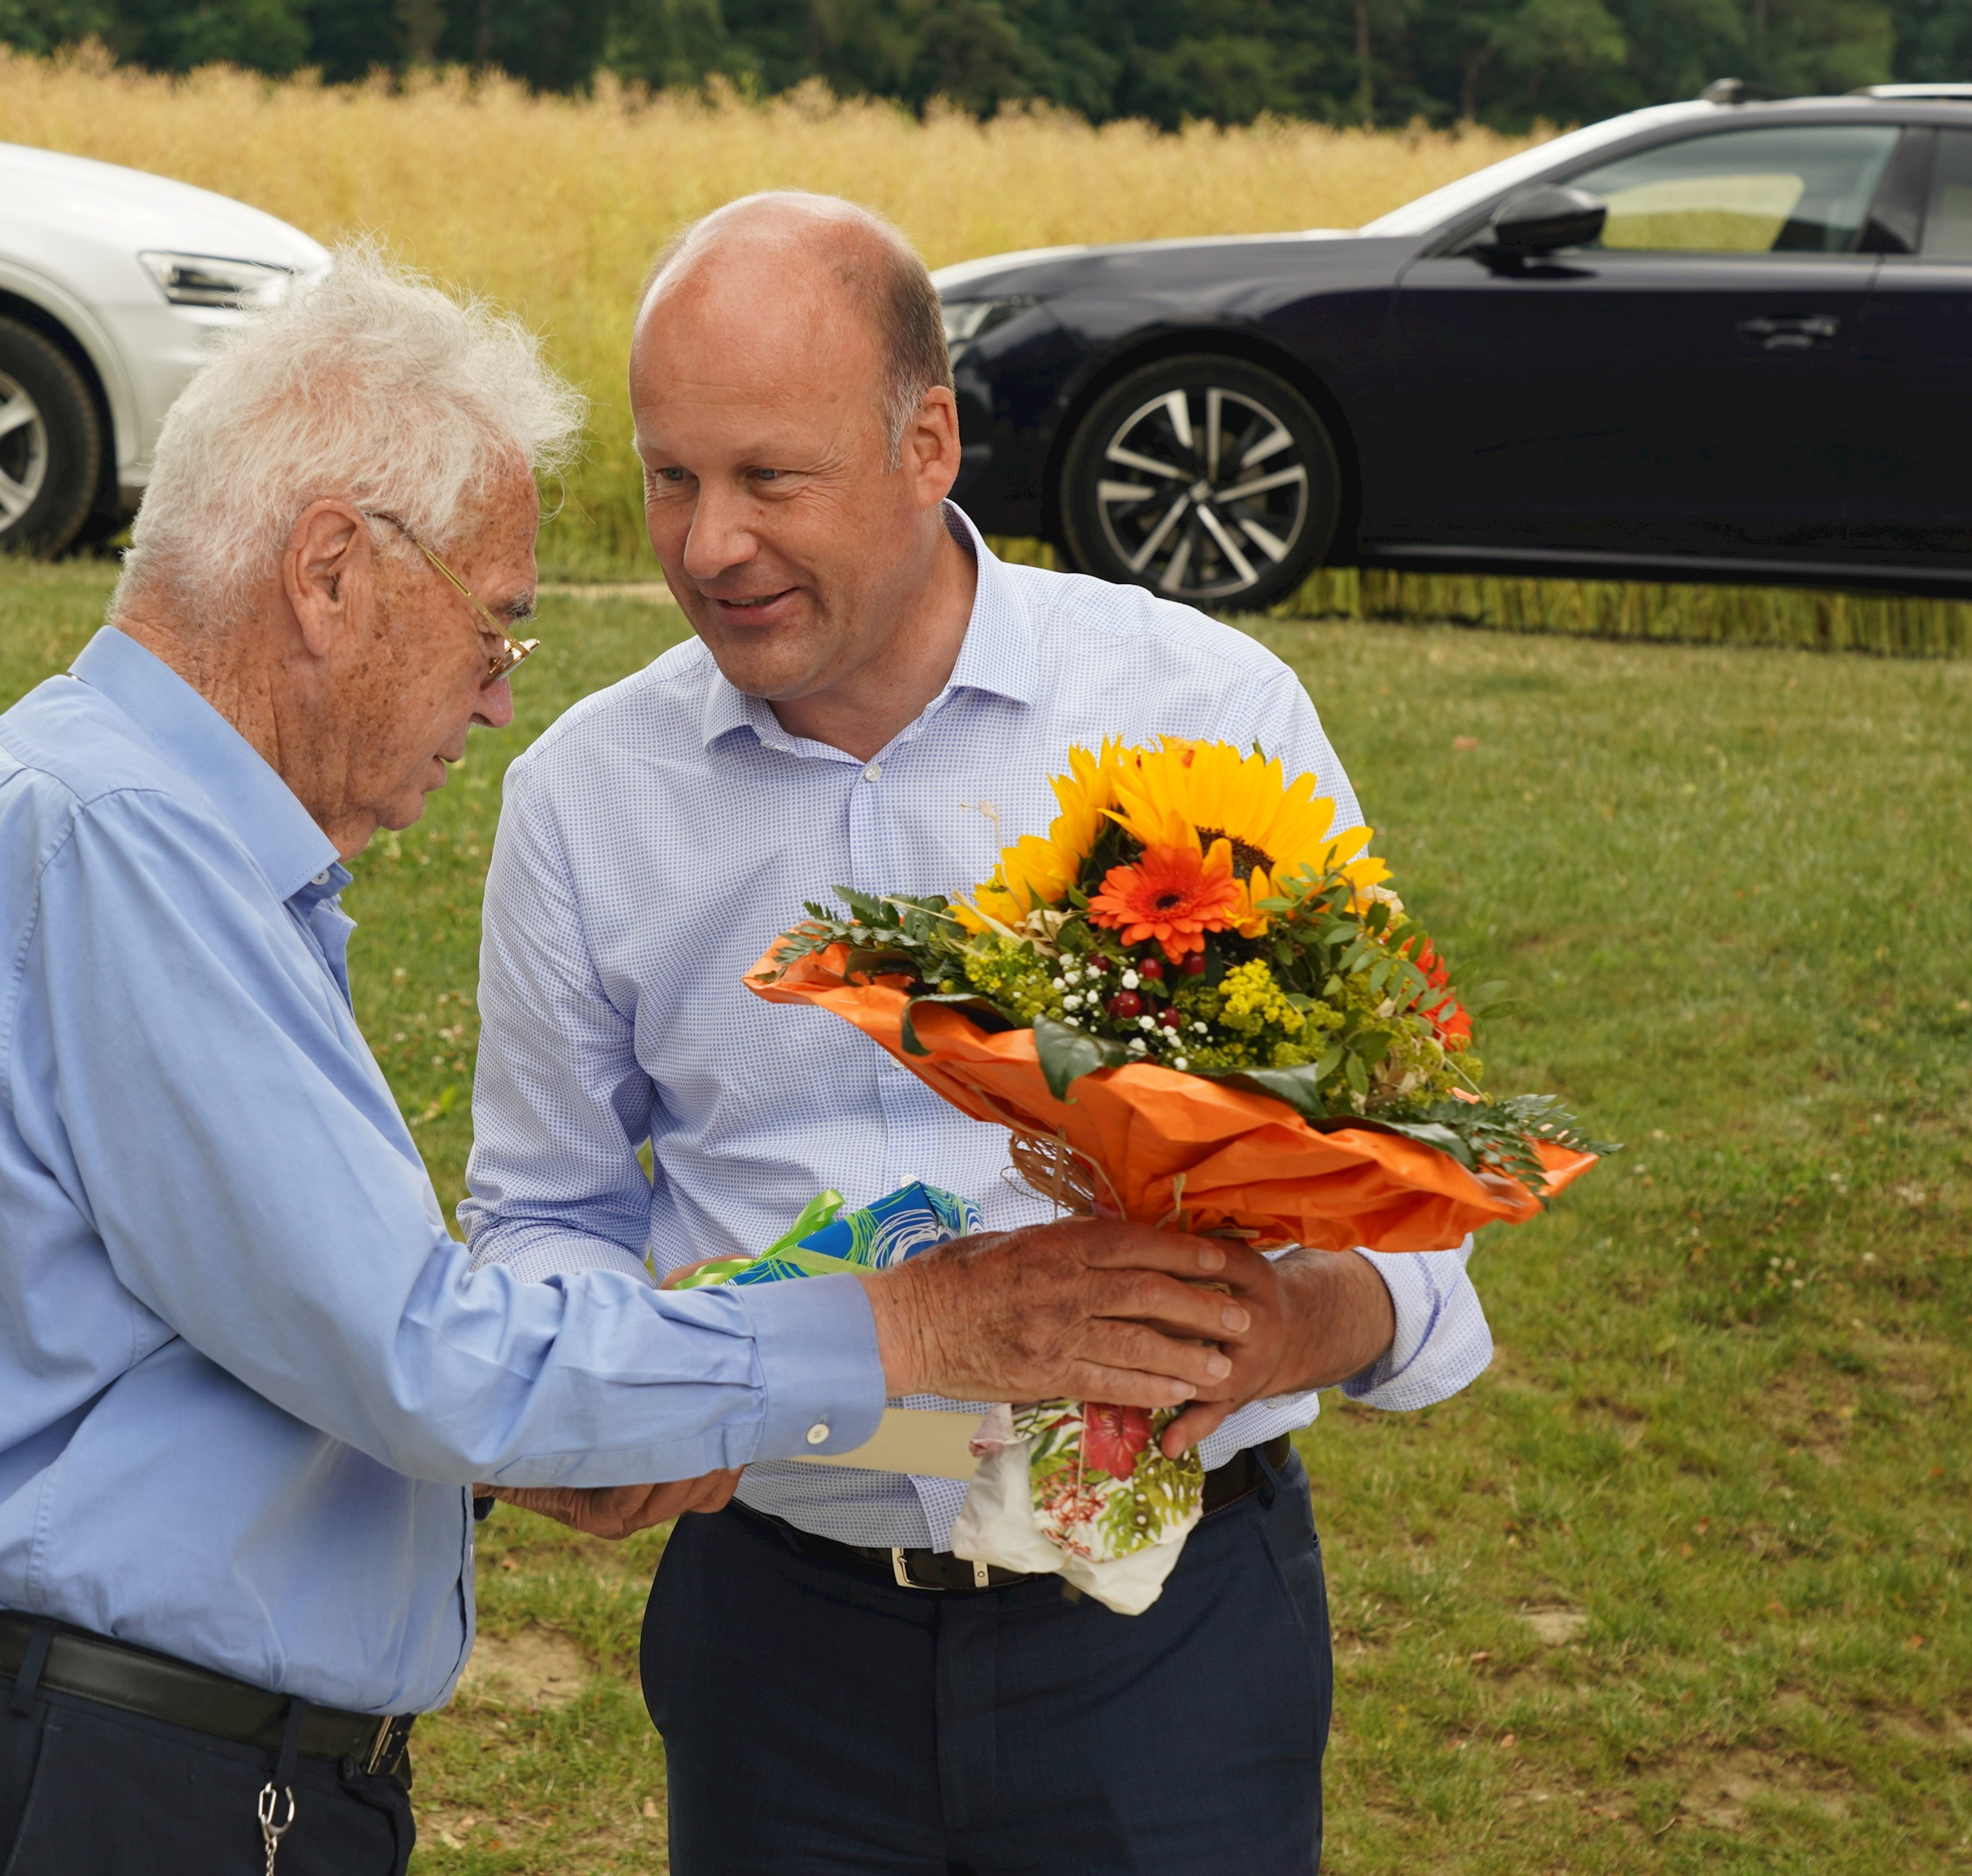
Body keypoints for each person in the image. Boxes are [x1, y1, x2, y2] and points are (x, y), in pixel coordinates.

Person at [0, 251, 1248, 1876]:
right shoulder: (115, 840)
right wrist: (917, 1322)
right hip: (88, 1775)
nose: (490, 701)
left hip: (121, 1757)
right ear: (328, 572)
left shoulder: (138, 830)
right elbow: (419, 1352)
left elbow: (298, 1346)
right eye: (494, 626)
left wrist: (550, 1450)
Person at [461, 194, 1494, 1874]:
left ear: (925, 441)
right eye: (671, 477)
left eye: (768, 479)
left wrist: (1276, 1334)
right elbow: (542, 1214)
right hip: (774, 1638)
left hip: (1163, 1657)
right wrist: (596, 1398)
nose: (707, 542)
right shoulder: (585, 797)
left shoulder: (1199, 721)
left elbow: (1417, 1216)